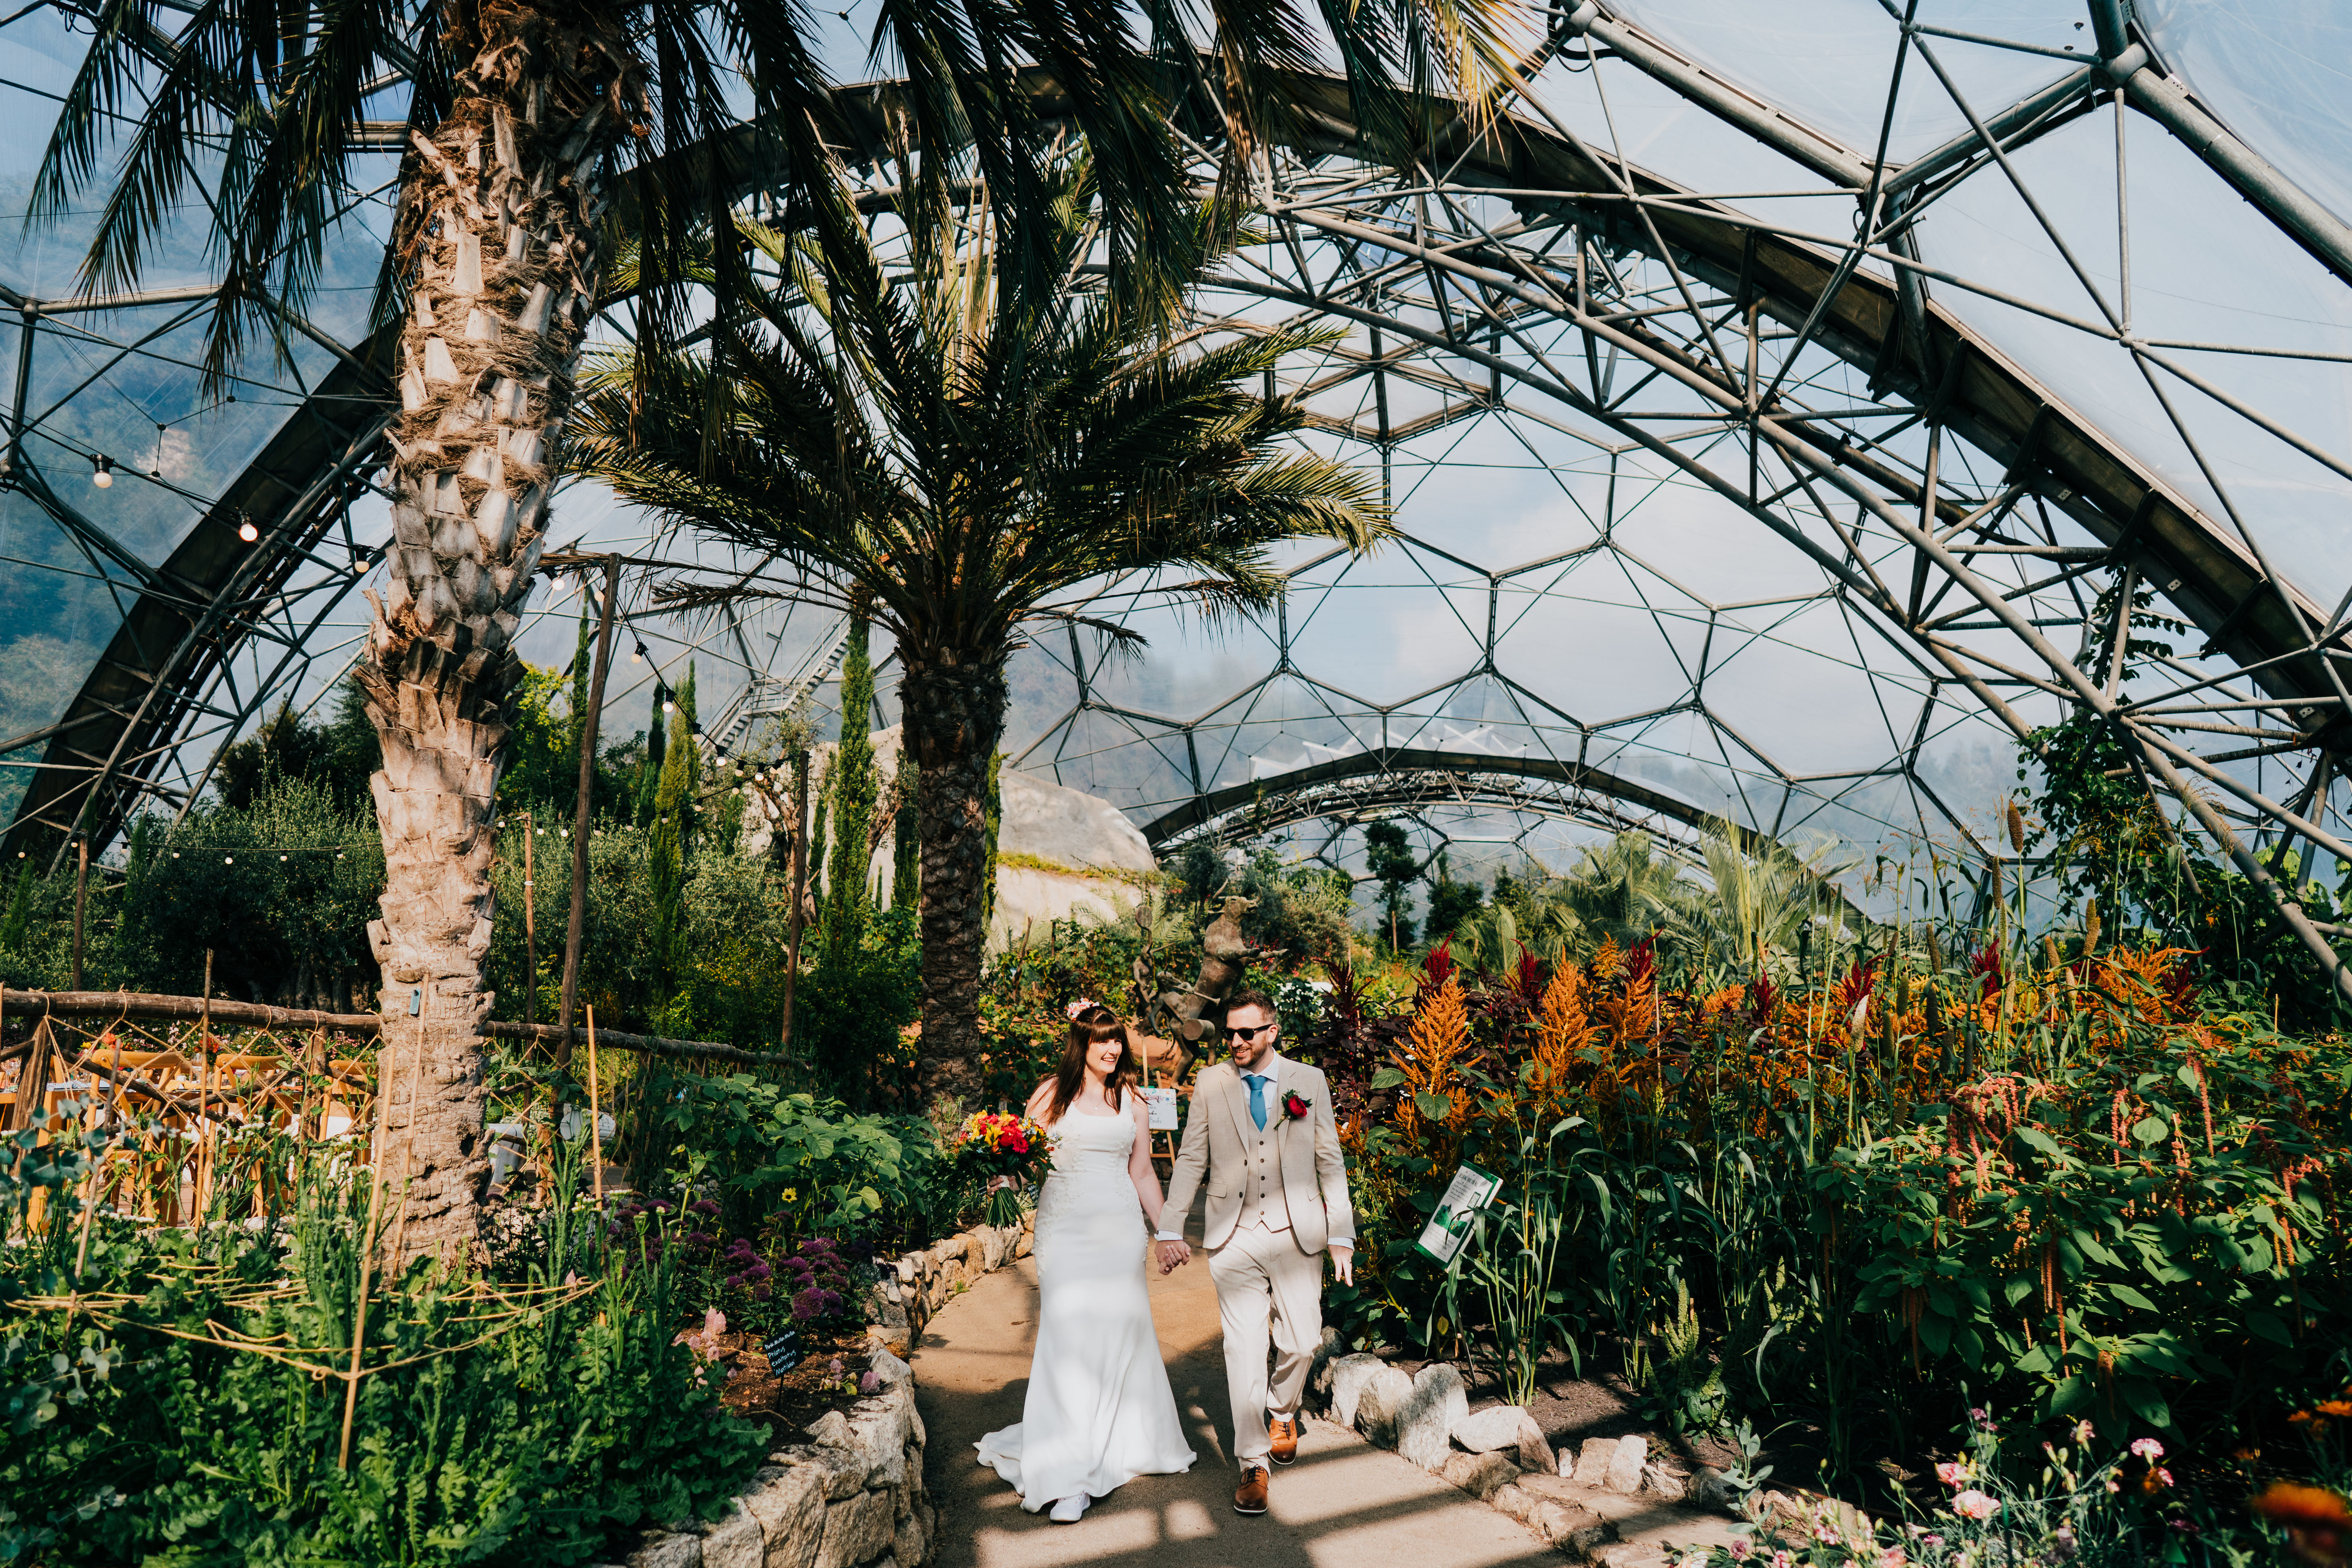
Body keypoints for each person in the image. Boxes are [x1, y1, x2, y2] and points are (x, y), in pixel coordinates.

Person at [975, 1006, 1197, 1521]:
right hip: (1065, 1231)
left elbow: (1142, 1173)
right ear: (1082, 1044)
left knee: (1119, 1333)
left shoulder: (1134, 1100)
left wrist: (1166, 1232)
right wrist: (1004, 1180)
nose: (1112, 1050)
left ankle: (1115, 1442)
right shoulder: (1050, 1094)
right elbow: (1023, 1163)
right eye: (1101, 1041)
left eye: (1116, 1040)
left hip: (1118, 1232)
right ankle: (1068, 1474)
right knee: (1068, 1336)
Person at [1154, 988, 1355, 1517]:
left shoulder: (1308, 1081)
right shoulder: (1209, 1081)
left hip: (1296, 1227)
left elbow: (1329, 1160)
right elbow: (1192, 1156)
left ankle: (1282, 1408)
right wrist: (1169, 1226)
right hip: (1232, 1232)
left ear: (1272, 1031)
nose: (1236, 1041)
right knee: (1243, 1347)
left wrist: (1341, 1232)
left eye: (1247, 1032)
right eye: (1230, 1032)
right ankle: (1252, 1462)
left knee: (1303, 1338)